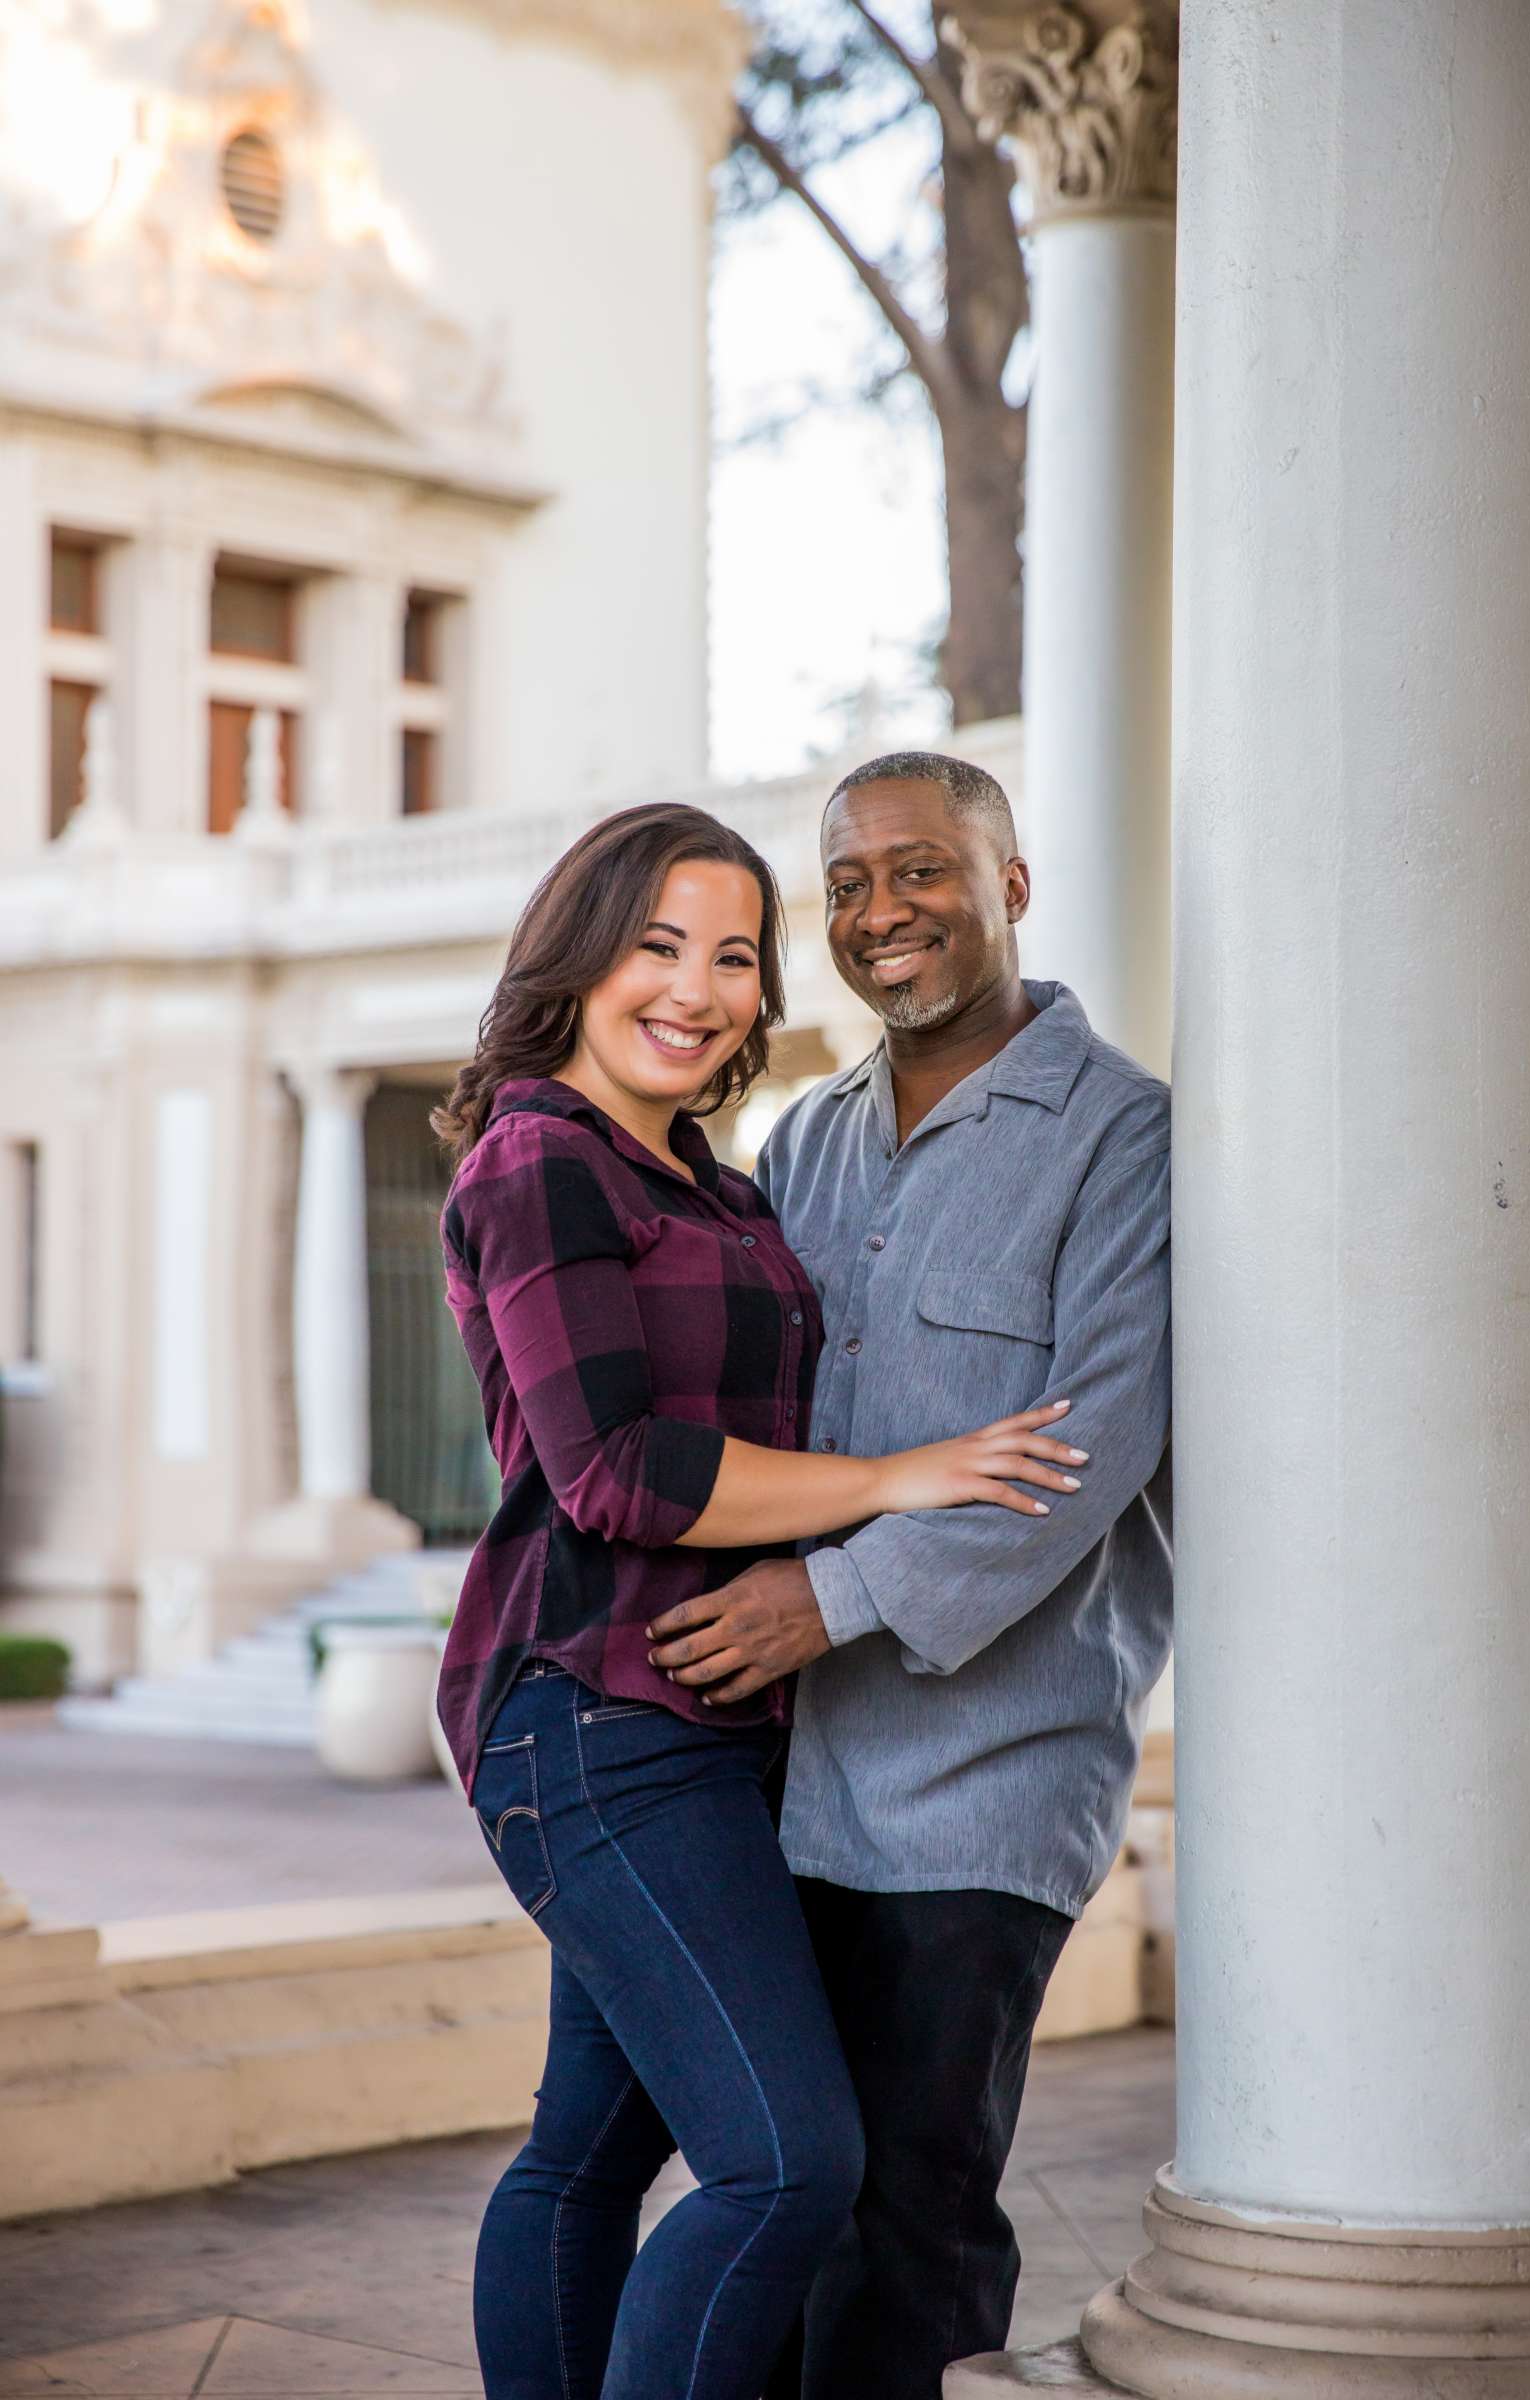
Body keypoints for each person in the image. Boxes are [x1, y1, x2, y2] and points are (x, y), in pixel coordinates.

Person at [431, 799, 1086, 2400]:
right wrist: (904, 1478)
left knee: (583, 2156)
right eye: (657, 945)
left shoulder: (716, 1183)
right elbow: (621, 1477)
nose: (698, 987)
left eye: (734, 954)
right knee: (785, 2166)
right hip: (590, 1714)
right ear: (576, 959)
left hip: (716, 1724)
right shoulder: (541, 1157)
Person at [644, 752, 1174, 2399]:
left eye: (923, 871)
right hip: (790, 1773)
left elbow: (1092, 1446)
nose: (884, 912)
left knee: (912, 2213)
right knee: (789, 2201)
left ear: (1009, 886)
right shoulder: (807, 1138)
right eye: (853, 883)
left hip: (983, 1786)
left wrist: (832, 1598)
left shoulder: (1123, 1136)